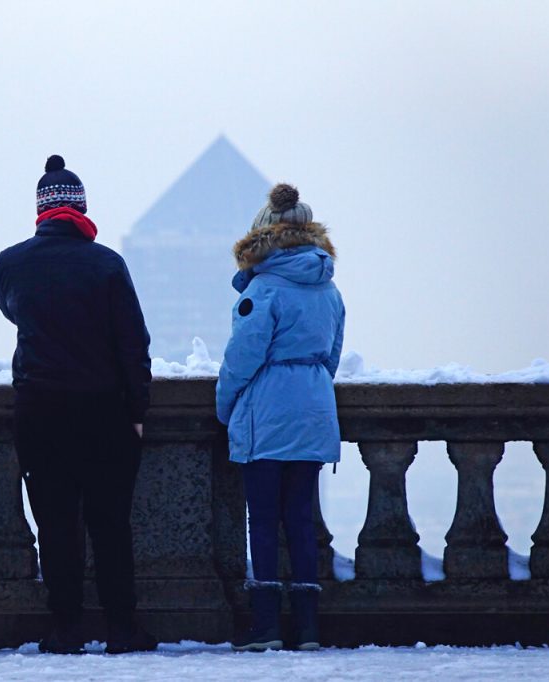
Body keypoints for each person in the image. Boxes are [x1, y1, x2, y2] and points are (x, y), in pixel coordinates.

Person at [0, 155, 156, 655]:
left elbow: (11, 311)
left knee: (56, 525)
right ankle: (122, 630)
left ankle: (65, 629)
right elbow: (133, 344)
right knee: (109, 524)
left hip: (39, 410)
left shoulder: (9, 263)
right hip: (103, 410)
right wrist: (137, 410)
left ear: (40, 211)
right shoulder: (107, 264)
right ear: (81, 208)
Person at [215, 184, 345, 652]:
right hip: (314, 405)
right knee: (301, 519)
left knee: (264, 521)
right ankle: (308, 628)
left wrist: (225, 407)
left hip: (267, 411)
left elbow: (241, 359)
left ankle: (267, 626)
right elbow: (332, 355)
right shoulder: (328, 288)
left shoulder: (264, 289)